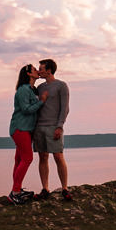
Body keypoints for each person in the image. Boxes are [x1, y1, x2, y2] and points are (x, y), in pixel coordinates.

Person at [8, 64, 48, 205]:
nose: (37, 71)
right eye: (34, 69)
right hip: (20, 128)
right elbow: (25, 109)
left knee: (19, 160)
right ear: (29, 74)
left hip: (25, 129)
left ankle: (16, 190)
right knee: (27, 158)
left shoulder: (31, 90)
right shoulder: (23, 90)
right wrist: (41, 102)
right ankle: (15, 192)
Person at [33, 58, 72, 201]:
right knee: (43, 157)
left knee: (58, 156)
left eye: (41, 69)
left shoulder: (61, 86)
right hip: (39, 127)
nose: (39, 71)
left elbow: (65, 108)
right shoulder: (40, 88)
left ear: (49, 70)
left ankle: (65, 189)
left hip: (53, 126)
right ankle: (45, 189)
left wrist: (59, 126)